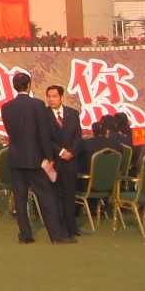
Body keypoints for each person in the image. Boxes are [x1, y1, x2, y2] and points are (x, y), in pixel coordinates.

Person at [0, 72, 71, 244]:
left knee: (20, 200)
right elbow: (43, 134)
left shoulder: (6, 107)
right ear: (29, 85)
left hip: (16, 159)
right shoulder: (38, 105)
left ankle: (25, 235)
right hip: (36, 159)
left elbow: (11, 132)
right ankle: (56, 235)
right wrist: (48, 157)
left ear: (14, 86)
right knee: (47, 198)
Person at [45, 85, 82, 238]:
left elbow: (78, 137)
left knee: (69, 195)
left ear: (61, 97)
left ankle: (71, 227)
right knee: (55, 196)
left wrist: (71, 152)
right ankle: (59, 228)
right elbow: (45, 139)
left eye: (54, 96)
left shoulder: (73, 113)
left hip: (70, 161)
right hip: (54, 161)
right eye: (49, 96)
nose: (51, 99)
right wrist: (61, 152)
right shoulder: (43, 115)